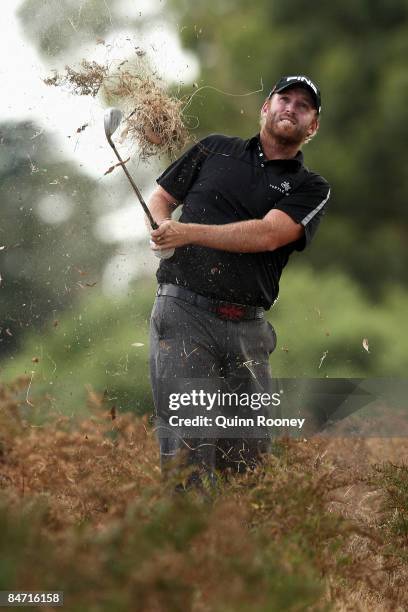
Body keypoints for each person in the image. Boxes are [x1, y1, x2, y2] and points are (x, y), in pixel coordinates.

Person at [148, 75, 330, 487]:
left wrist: (187, 232)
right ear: (265, 107)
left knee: (247, 469)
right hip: (183, 316)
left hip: (249, 332)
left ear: (312, 126)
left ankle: (235, 550)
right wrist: (162, 227)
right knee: (189, 455)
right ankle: (186, 548)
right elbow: (162, 197)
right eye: (284, 99)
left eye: (303, 106)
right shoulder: (214, 148)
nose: (291, 108)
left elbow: (268, 234)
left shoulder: (311, 187)